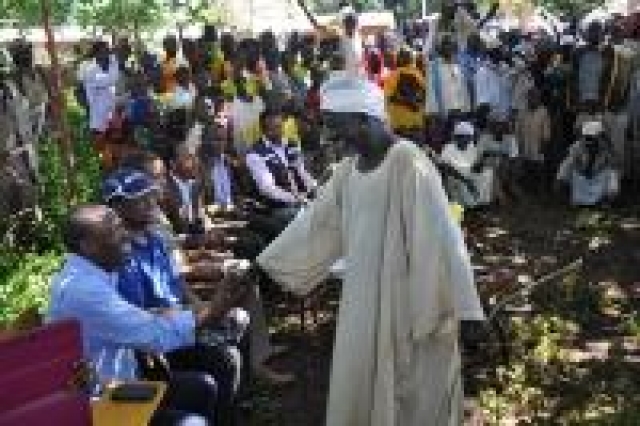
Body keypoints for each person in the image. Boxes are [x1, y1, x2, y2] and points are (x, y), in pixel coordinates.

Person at [256, 76, 484, 426]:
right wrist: (263, 265)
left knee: (413, 393)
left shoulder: (408, 162)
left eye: (337, 127)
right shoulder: (348, 170)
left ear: (364, 119)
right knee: (364, 386)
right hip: (362, 301)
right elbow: (317, 224)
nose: (332, 137)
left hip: (409, 301)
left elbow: (442, 238)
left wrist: (467, 310)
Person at [48, 204, 242, 425]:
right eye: (114, 232)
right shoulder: (83, 290)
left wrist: (206, 309)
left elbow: (139, 317)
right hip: (100, 403)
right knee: (192, 421)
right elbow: (152, 333)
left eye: (121, 228)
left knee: (203, 386)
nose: (124, 237)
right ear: (88, 246)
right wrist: (214, 309)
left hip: (123, 383)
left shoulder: (94, 271)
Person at [245, 108, 317, 229]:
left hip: (301, 200)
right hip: (277, 208)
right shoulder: (255, 154)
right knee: (308, 217)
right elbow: (268, 189)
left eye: (280, 127)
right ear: (264, 130)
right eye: (274, 129)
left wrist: (315, 188)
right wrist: (297, 199)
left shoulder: (291, 144)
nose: (279, 132)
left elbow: (302, 172)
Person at [556, 121, 619, 206]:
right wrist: (560, 180)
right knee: (567, 167)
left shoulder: (606, 148)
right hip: (582, 178)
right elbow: (569, 162)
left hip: (598, 178)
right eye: (587, 137)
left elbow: (614, 164)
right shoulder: (577, 146)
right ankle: (572, 199)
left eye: (592, 137)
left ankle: (606, 201)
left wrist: (609, 149)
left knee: (612, 173)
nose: (589, 140)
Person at [440, 121, 496, 208]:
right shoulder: (448, 148)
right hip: (455, 178)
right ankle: (467, 205)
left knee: (488, 173)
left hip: (469, 175)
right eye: (465, 137)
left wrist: (483, 161)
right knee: (462, 183)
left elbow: (474, 166)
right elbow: (446, 168)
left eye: (470, 138)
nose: (468, 140)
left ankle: (481, 203)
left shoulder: (471, 146)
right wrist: (466, 181)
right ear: (456, 137)